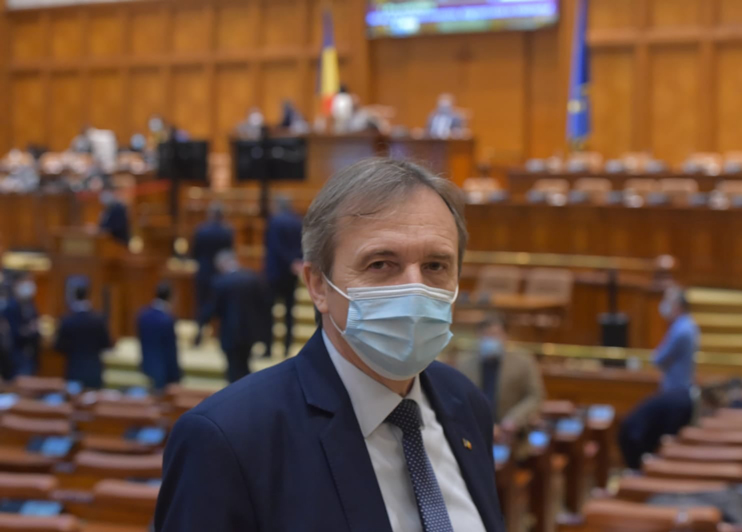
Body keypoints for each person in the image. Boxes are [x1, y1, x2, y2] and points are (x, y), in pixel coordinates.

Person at [156, 158, 504, 532]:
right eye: (380, 264)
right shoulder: (227, 440)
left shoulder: (466, 403)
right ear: (318, 285)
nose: (414, 289)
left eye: (435, 266)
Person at [456, 312, 546, 437]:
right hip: (475, 430)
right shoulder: (465, 362)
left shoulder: (523, 361)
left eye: (495, 334)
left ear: (505, 336)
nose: (490, 339)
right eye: (485, 334)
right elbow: (458, 396)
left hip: (512, 432)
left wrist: (514, 420)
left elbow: (534, 396)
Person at [618, 382, 728, 470]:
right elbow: (667, 438)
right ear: (708, 402)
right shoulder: (684, 405)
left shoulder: (688, 395)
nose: (710, 414)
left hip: (638, 434)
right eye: (713, 410)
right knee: (639, 474)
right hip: (634, 437)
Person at [196, 251, 267, 383]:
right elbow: (264, 305)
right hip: (250, 331)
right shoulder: (253, 278)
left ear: (222, 264)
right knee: (244, 363)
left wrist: (200, 328)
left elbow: (211, 309)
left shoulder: (220, 281)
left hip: (229, 332)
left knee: (233, 368)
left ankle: (237, 392)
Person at [263, 195, 303, 358]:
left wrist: (289, 261)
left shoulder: (274, 221)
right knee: (289, 311)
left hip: (275, 273)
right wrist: (296, 262)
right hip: (291, 273)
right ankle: (287, 347)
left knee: (269, 312)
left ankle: (268, 348)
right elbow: (303, 245)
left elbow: (275, 246)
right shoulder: (298, 221)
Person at [53, 285, 112, 389]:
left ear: (74, 297)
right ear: (89, 296)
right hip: (94, 369)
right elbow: (106, 344)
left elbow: (59, 346)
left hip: (74, 368)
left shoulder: (67, 321)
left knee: (73, 397)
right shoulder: (98, 321)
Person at [190, 203, 234, 323]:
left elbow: (195, 252)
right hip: (220, 273)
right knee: (221, 304)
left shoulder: (201, 230)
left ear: (210, 215)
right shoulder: (227, 231)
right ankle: (218, 330)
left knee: (201, 303)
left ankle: (200, 329)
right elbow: (229, 253)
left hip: (204, 271)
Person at [137, 283, 182, 393]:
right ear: (170, 297)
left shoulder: (143, 315)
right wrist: (176, 375)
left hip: (147, 363)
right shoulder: (167, 320)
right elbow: (170, 349)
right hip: (164, 369)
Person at [652, 286, 699, 392]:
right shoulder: (688, 325)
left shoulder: (681, 330)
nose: (665, 305)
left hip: (676, 388)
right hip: (680, 386)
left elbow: (659, 358)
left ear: (678, 306)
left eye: (668, 302)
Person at [4, 274, 40, 377]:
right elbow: (13, 332)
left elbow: (35, 327)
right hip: (15, 356)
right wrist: (28, 330)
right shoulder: (11, 307)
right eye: (25, 282)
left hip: (30, 354)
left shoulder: (30, 305)